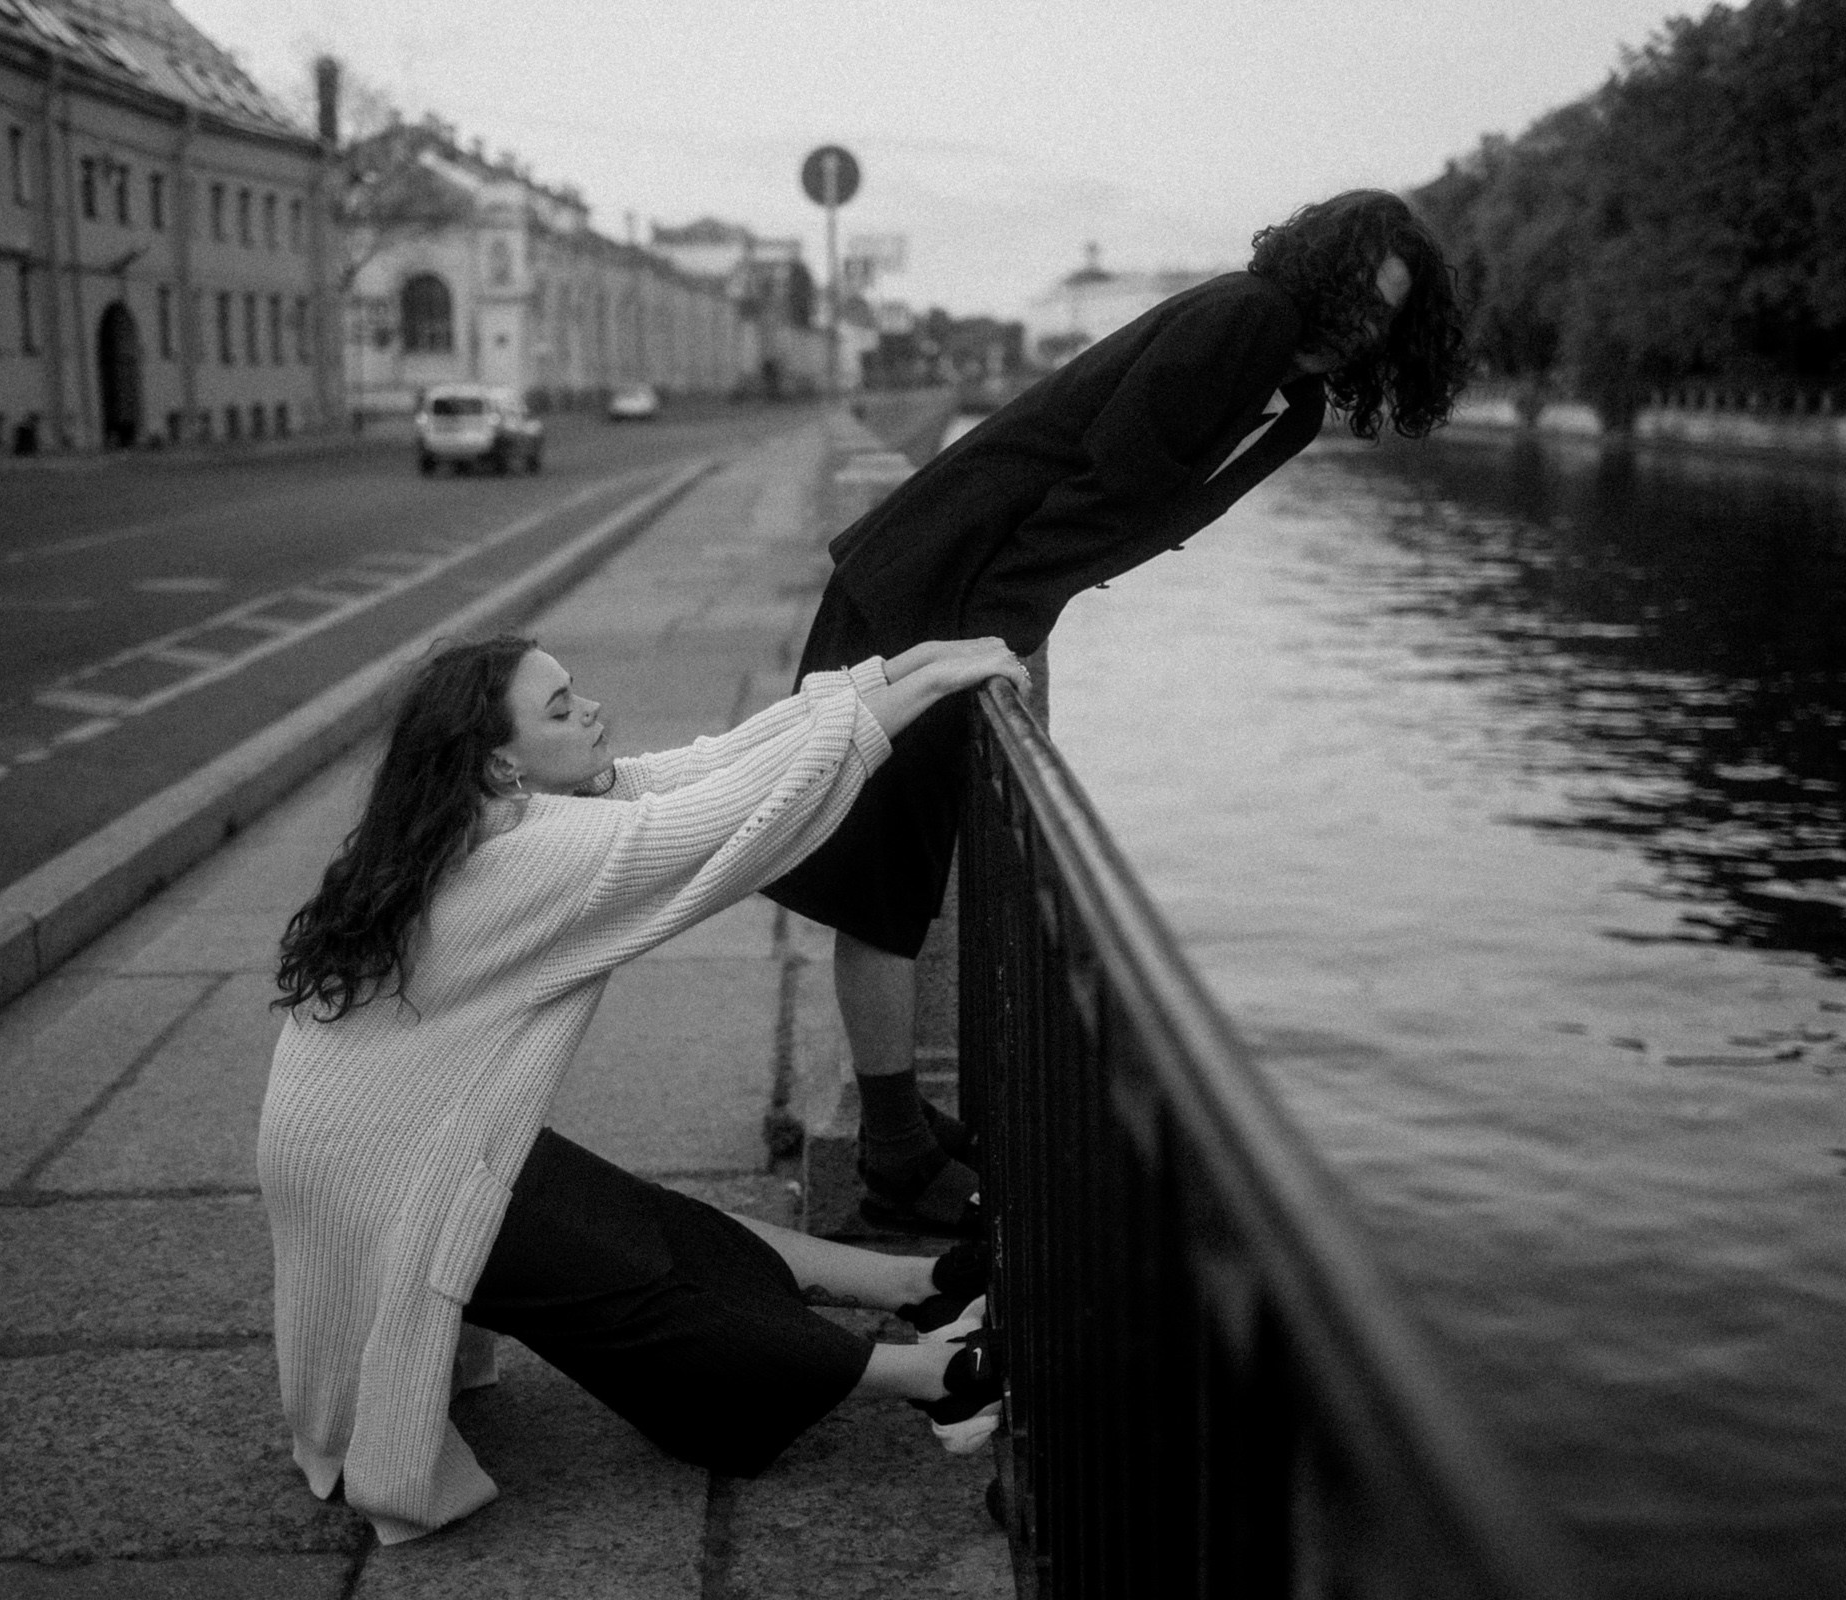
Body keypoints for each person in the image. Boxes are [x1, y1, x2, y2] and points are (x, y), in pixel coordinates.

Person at [761, 189, 1471, 1233]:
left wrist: (1004, 627)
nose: (1366, 327)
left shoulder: (1291, 393)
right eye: (1361, 297)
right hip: (928, 590)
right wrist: (997, 635)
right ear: (1321, 273)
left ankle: (896, 1128)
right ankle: (894, 1158)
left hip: (954, 593)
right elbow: (1107, 484)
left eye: (1388, 316)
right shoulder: (1249, 322)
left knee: (894, 879)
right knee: (881, 888)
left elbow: (1121, 500)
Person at [259, 631, 1028, 1545]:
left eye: (574, 690)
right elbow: (734, 818)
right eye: (560, 709)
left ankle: (923, 1286)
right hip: (375, 1171)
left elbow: (705, 767)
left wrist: (897, 674)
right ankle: (940, 1380)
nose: (590, 710)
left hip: (390, 1132)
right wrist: (924, 690)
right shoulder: (529, 852)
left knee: (646, 1222)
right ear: (502, 764)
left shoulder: (478, 817)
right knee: (641, 1287)